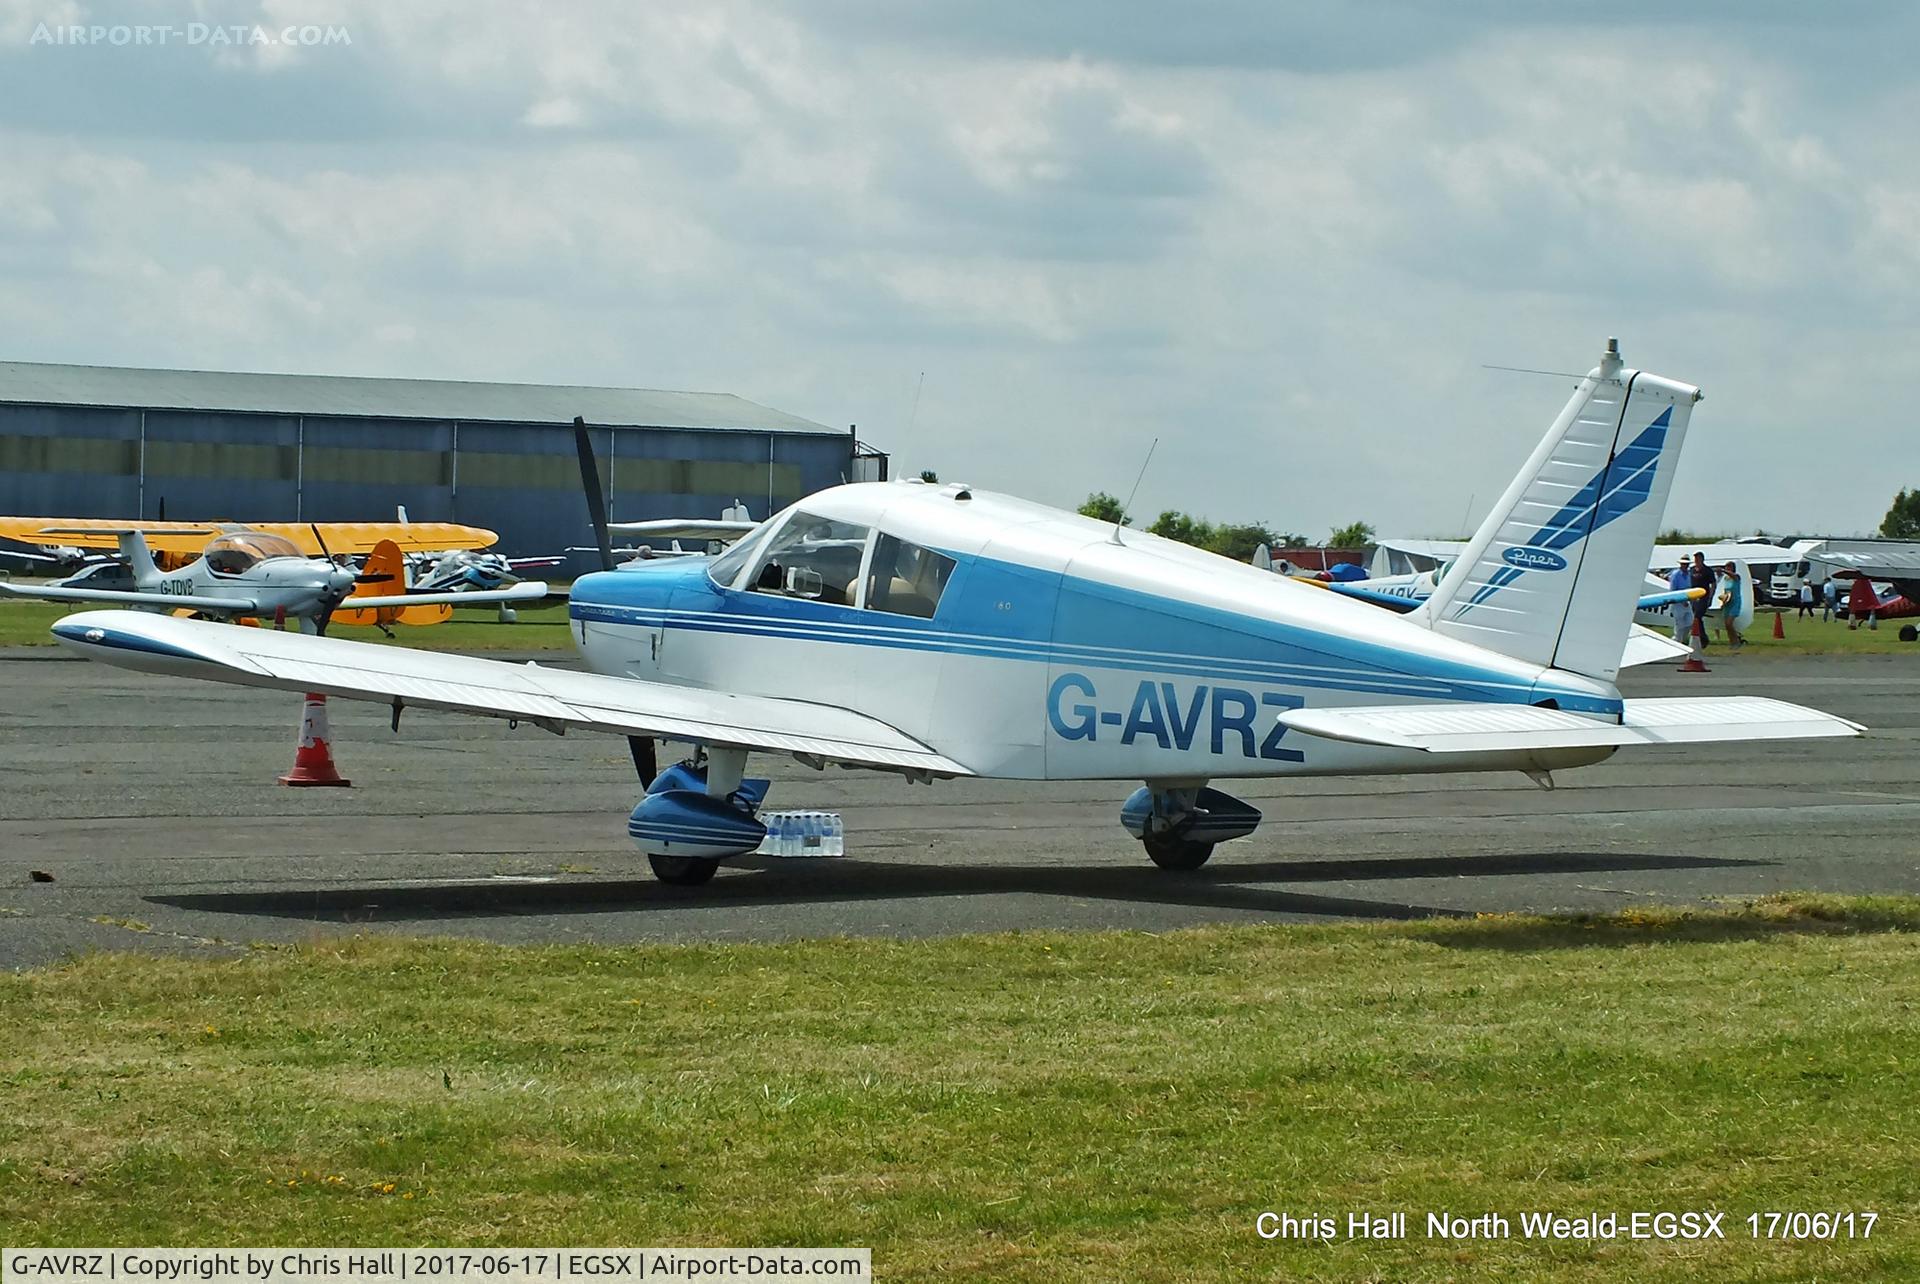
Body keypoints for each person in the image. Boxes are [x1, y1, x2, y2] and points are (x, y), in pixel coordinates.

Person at [1689, 553, 1717, 647]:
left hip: (1703, 596)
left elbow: (1713, 583)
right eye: (1695, 558)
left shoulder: (1707, 570)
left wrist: (1711, 596)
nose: (1696, 560)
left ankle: (1703, 638)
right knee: (1696, 617)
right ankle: (1701, 637)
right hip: (1693, 597)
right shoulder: (1692, 570)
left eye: (1698, 558)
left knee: (1698, 616)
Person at [1717, 562, 1745, 650]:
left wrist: (1723, 570)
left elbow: (1733, 575)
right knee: (1726, 624)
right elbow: (1726, 591)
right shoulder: (1726, 578)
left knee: (1729, 623)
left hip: (1735, 602)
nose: (1727, 569)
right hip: (1728, 602)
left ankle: (1736, 641)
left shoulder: (1736, 577)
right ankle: (1732, 642)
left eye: (1729, 567)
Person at [1667, 561, 1693, 642]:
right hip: (1677, 603)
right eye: (1683, 564)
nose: (1685, 566)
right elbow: (1673, 590)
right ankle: (1677, 640)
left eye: (1686, 564)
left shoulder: (1689, 575)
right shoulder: (1675, 575)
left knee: (1690, 622)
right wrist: (1681, 600)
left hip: (1687, 601)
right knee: (1679, 625)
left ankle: (1679, 639)